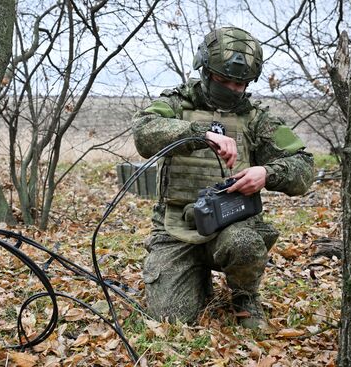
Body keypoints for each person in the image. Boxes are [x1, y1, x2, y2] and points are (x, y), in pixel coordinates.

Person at [131, 27, 314, 328]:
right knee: (170, 320)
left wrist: (267, 173)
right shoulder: (177, 104)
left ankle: (244, 296)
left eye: (240, 83)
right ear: (204, 71)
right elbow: (143, 132)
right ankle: (193, 276)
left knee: (245, 243)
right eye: (223, 80)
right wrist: (197, 134)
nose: (232, 88)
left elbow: (304, 165)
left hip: (231, 224)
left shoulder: (255, 119)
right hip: (175, 228)